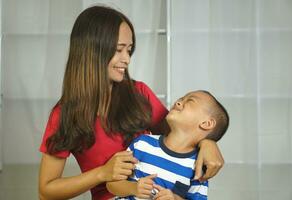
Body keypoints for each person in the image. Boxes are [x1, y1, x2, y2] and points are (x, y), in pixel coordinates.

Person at [38, 5, 225, 200]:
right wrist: (102, 173)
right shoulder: (64, 115)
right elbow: (46, 191)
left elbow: (180, 133)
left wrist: (208, 142)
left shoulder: (139, 93)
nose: (126, 59)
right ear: (92, 50)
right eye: (119, 50)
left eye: (129, 50)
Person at [106, 90, 229, 200]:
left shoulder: (198, 168)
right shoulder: (142, 143)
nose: (179, 102)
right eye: (181, 98)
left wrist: (174, 198)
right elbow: (111, 184)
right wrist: (133, 188)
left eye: (190, 101)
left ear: (206, 123)